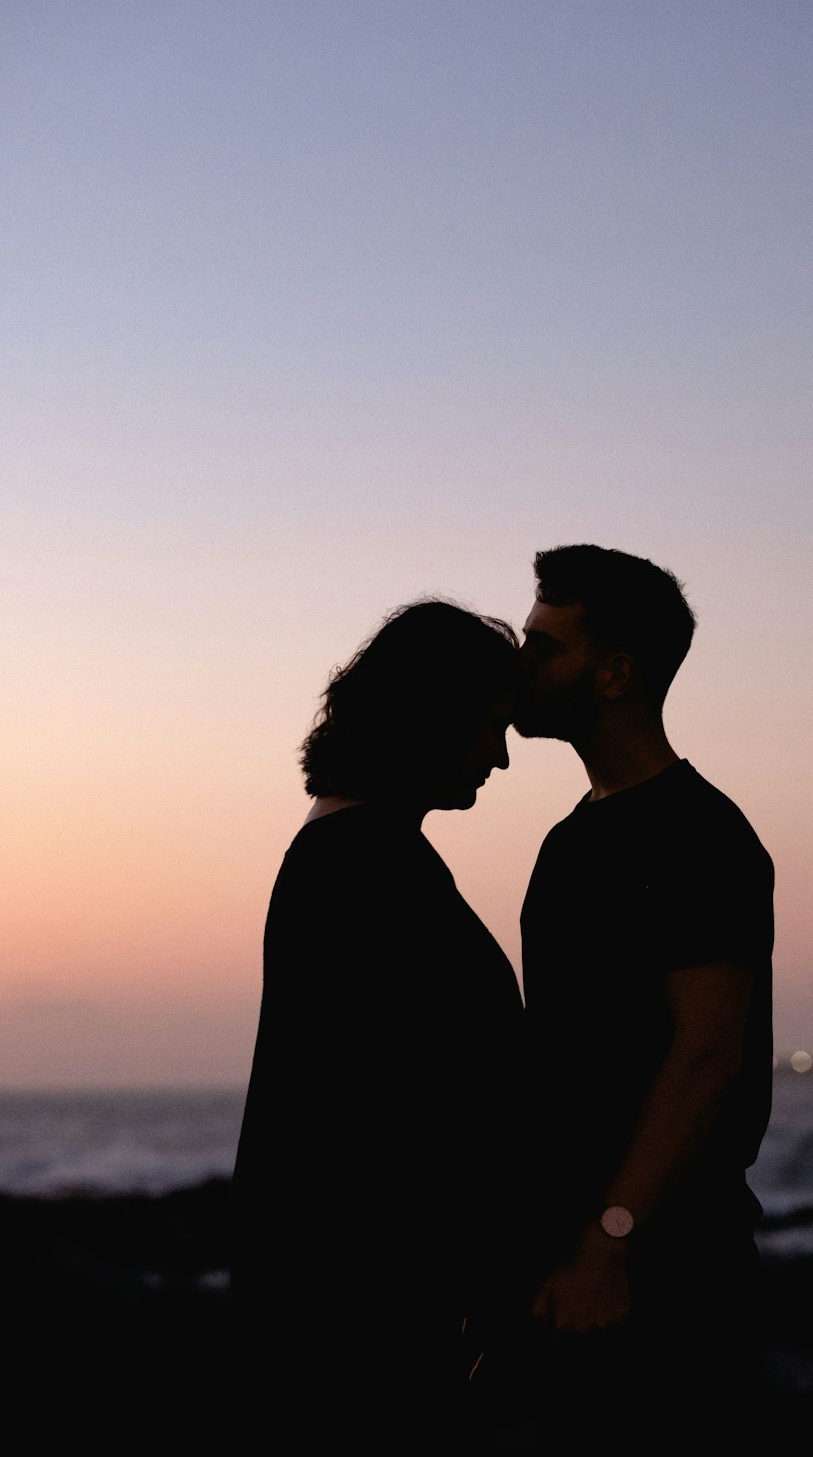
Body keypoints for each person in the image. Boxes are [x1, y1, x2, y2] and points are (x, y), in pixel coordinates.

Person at [231, 599, 528, 1451]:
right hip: (365, 1331)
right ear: (431, 718)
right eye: (489, 727)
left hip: (352, 1315)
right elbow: (391, 1116)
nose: (501, 758)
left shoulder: (355, 851)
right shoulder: (365, 867)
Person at [513, 544, 775, 1451]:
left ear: (616, 673)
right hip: (579, 1262)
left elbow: (707, 1054)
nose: (521, 666)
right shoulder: (567, 843)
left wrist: (610, 1240)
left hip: (665, 1267)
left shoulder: (701, 835)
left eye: (544, 648)